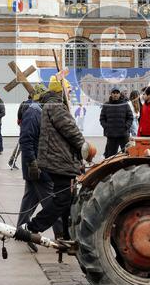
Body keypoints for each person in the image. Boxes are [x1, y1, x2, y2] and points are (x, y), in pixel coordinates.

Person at [24, 76, 88, 241]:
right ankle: (33, 227)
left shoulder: (52, 105)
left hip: (58, 159)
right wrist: (84, 147)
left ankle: (66, 234)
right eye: (68, 89)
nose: (70, 92)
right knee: (62, 199)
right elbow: (70, 130)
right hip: (60, 160)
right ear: (61, 91)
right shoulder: (56, 106)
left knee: (67, 199)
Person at [15, 84, 63, 248]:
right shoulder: (34, 112)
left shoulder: (41, 110)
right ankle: (61, 235)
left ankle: (21, 231)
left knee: (30, 200)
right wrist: (33, 164)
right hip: (38, 165)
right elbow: (26, 140)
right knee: (52, 202)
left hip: (37, 164)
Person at [99, 88, 134, 158]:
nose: (115, 95)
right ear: (111, 94)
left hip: (123, 135)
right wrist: (106, 127)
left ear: (119, 94)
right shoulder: (106, 105)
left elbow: (130, 117)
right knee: (110, 157)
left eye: (117, 93)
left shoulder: (125, 104)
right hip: (111, 136)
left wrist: (126, 126)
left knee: (127, 155)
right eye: (114, 93)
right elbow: (102, 118)